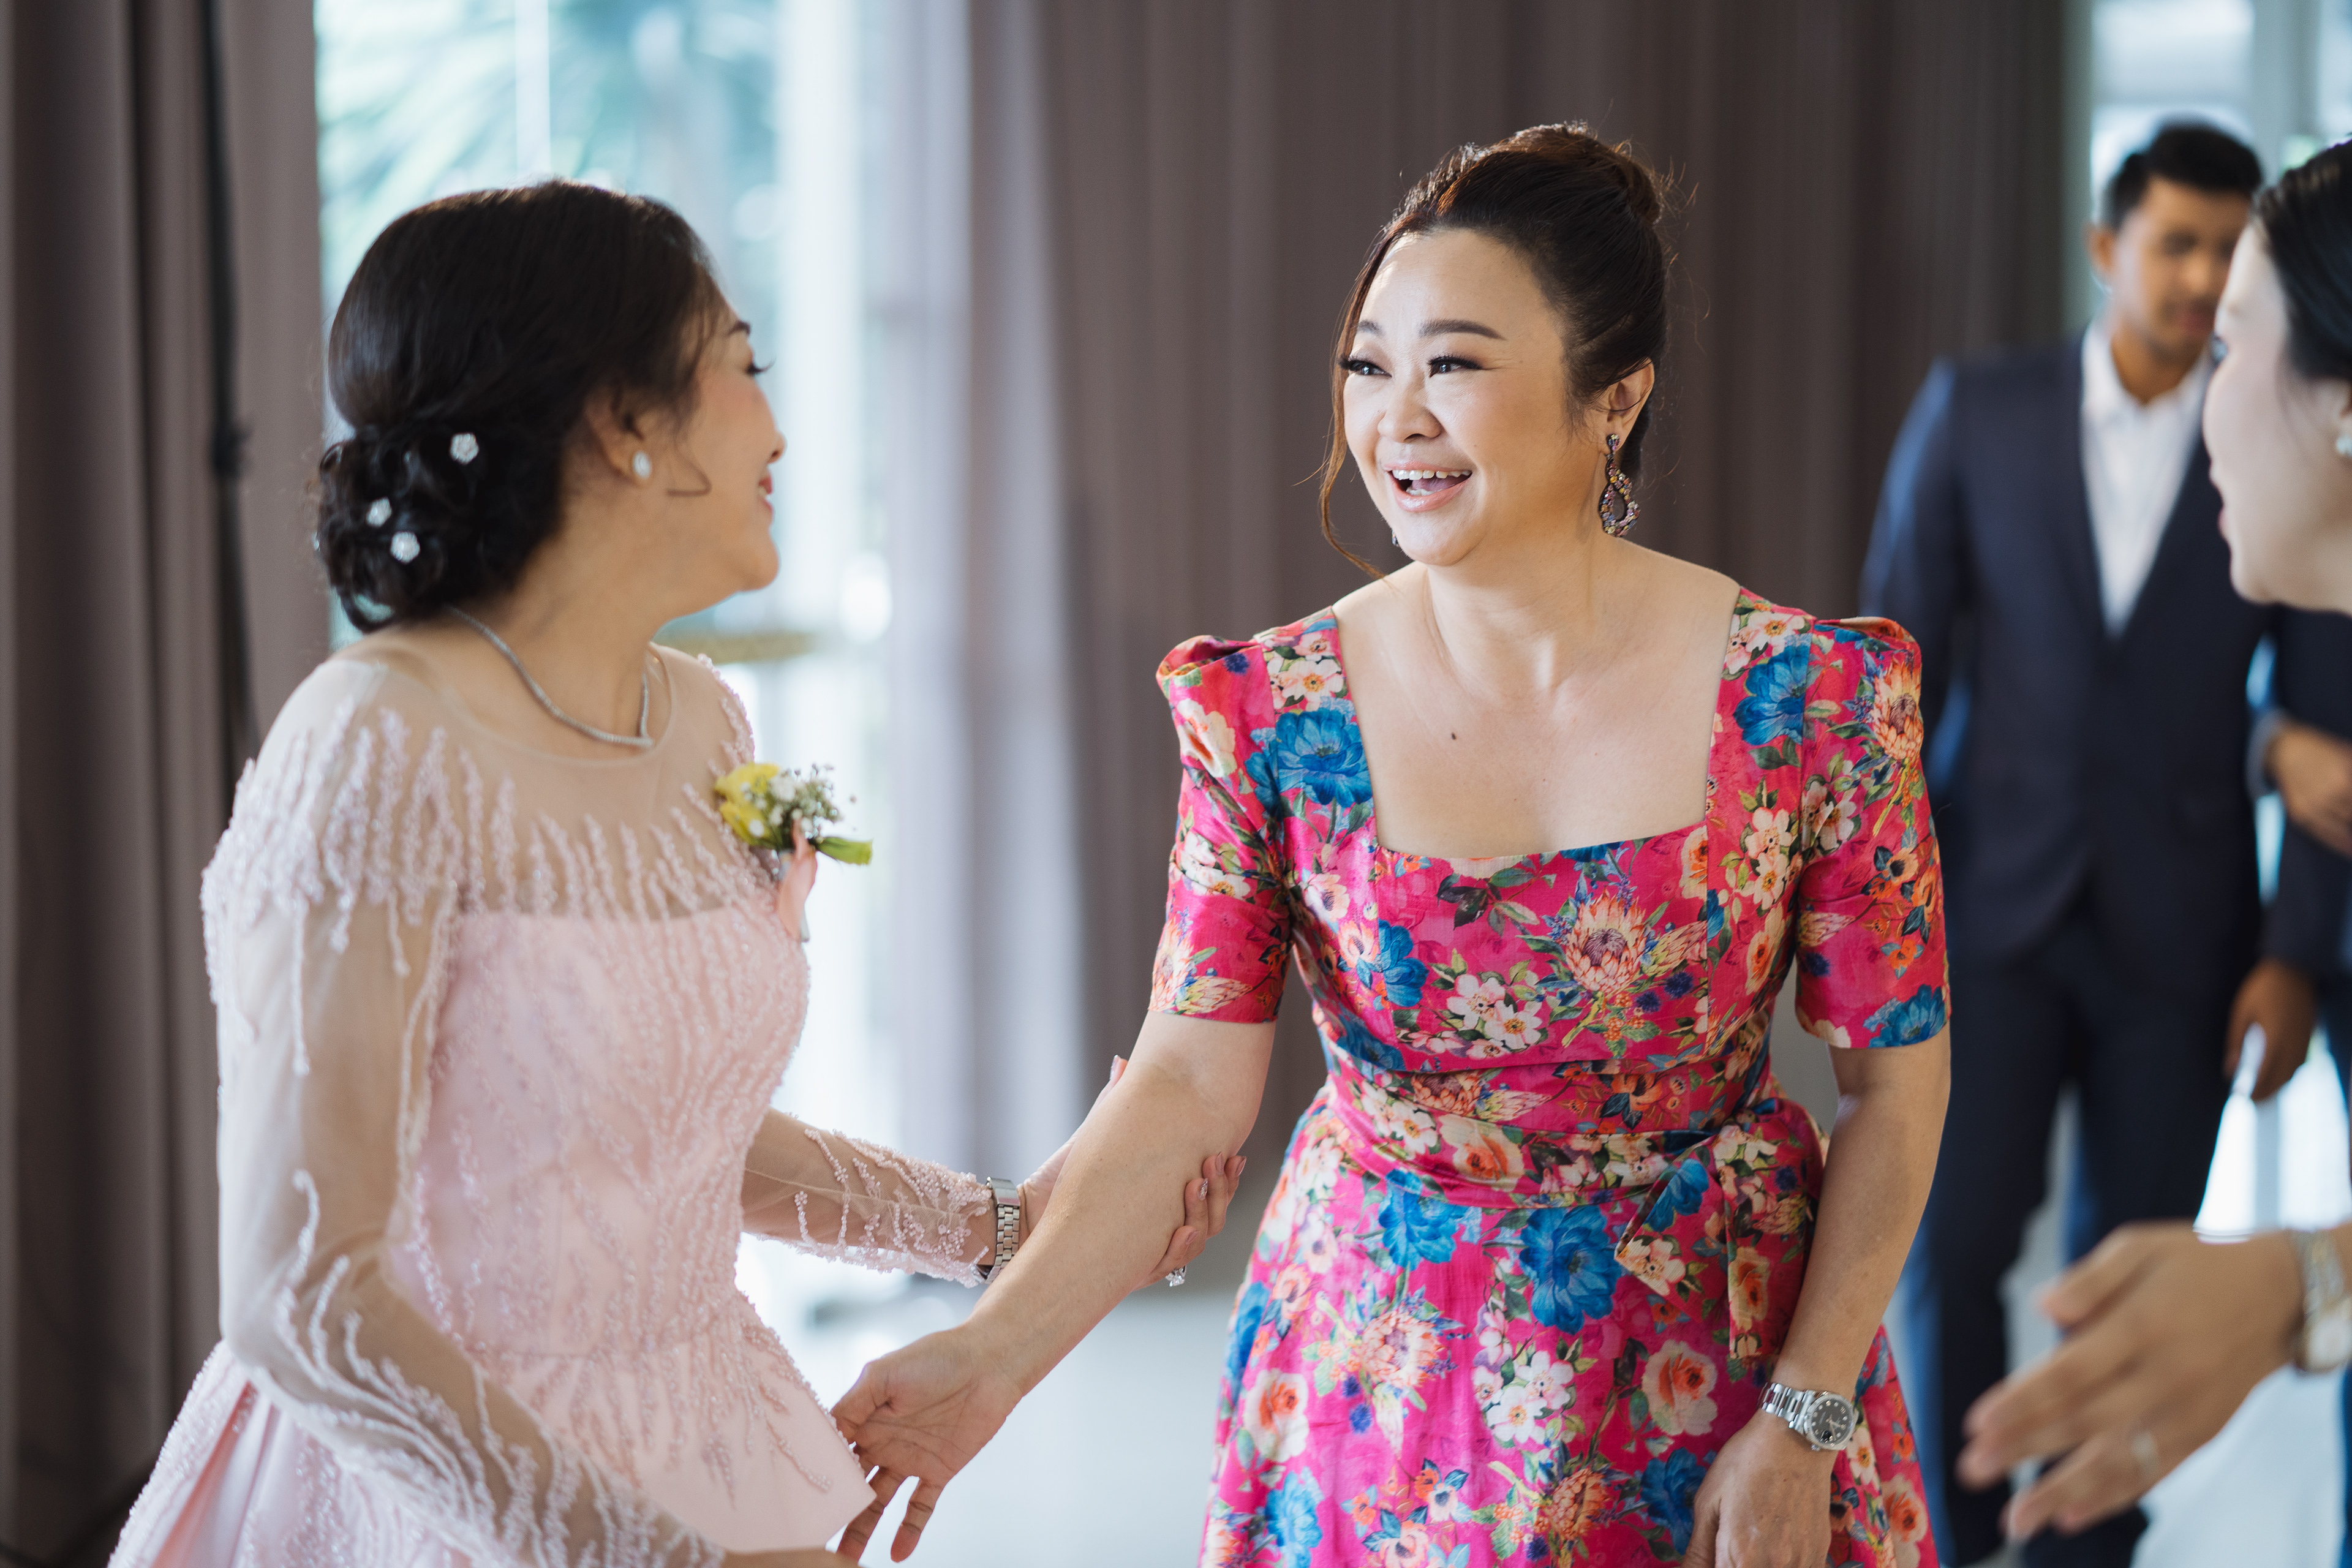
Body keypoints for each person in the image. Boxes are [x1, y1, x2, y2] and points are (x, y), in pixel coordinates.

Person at [832, 124, 1953, 1568]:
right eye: (1369, 366)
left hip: (1731, 1368)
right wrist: (988, 1357)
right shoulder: (1270, 714)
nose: (1396, 418)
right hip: (1385, 1377)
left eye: (1455, 363)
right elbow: (1185, 1081)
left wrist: (1804, 1414)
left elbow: (1896, 1087)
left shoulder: (1817, 698)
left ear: (1616, 395)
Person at [106, 183, 1232, 1568]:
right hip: (447, 1487)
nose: (778, 429)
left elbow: (646, 1131)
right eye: (744, 368)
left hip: (706, 1431)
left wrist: (1002, 1227)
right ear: (621, 421)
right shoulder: (377, 743)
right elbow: (303, 1295)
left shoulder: (700, 720)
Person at [1859, 119, 2352, 1568]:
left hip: (2182, 927)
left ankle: (2083, 1550)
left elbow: (2326, 721)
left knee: (2131, 1262)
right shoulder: (1979, 411)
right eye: (2177, 244)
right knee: (1952, 1246)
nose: (2200, 281)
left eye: (2229, 260)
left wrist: (2293, 954)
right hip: (1988, 914)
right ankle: (1959, 1536)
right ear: (2105, 248)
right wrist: (1875, 929)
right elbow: (1892, 683)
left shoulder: (2281, 439)